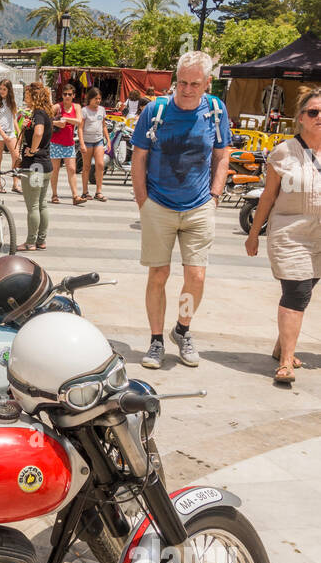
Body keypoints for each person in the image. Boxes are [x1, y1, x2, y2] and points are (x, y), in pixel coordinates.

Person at [131, 50, 232, 370]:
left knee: (196, 276)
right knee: (158, 274)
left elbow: (222, 155)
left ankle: (182, 330)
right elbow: (139, 157)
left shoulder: (215, 110)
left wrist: (215, 196)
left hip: (200, 204)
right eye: (182, 82)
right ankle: (156, 340)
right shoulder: (156, 111)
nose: (186, 89)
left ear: (207, 83)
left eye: (194, 84)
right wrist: (142, 201)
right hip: (158, 204)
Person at [245, 86, 321, 385]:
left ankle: (281, 346)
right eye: (313, 112)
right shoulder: (283, 152)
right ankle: (287, 362)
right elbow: (267, 197)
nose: (319, 117)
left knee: (304, 290)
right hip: (290, 233)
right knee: (297, 292)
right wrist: (254, 234)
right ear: (300, 118)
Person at [17, 81, 54, 251]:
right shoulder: (46, 113)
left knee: (33, 205)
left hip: (34, 166)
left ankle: (31, 241)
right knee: (42, 204)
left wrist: (32, 150)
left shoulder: (39, 113)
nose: (25, 97)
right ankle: (41, 240)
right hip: (45, 164)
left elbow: (39, 132)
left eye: (27, 94)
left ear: (34, 96)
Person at [50, 82, 83, 204]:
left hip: (69, 143)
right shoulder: (57, 107)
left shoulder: (76, 107)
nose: (67, 96)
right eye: (65, 94)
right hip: (56, 142)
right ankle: (54, 195)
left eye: (69, 94)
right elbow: (47, 120)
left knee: (72, 169)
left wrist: (66, 119)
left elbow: (79, 121)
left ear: (74, 95)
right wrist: (57, 123)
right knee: (55, 170)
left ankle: (75, 196)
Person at [80, 86, 110, 201]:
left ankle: (98, 191)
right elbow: (81, 128)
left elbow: (104, 125)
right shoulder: (84, 111)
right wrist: (82, 143)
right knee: (86, 166)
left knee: (100, 165)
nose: (98, 101)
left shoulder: (102, 110)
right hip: (87, 142)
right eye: (96, 98)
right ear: (90, 98)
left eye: (99, 98)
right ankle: (85, 191)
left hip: (98, 141)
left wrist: (108, 139)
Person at [0, 78, 20, 191]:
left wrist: (19, 132)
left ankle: (15, 184)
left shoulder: (11, 101)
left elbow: (14, 118)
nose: (2, 91)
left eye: (4, 89)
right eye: (0, 89)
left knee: (16, 156)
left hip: (10, 132)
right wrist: (3, 135)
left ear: (9, 90)